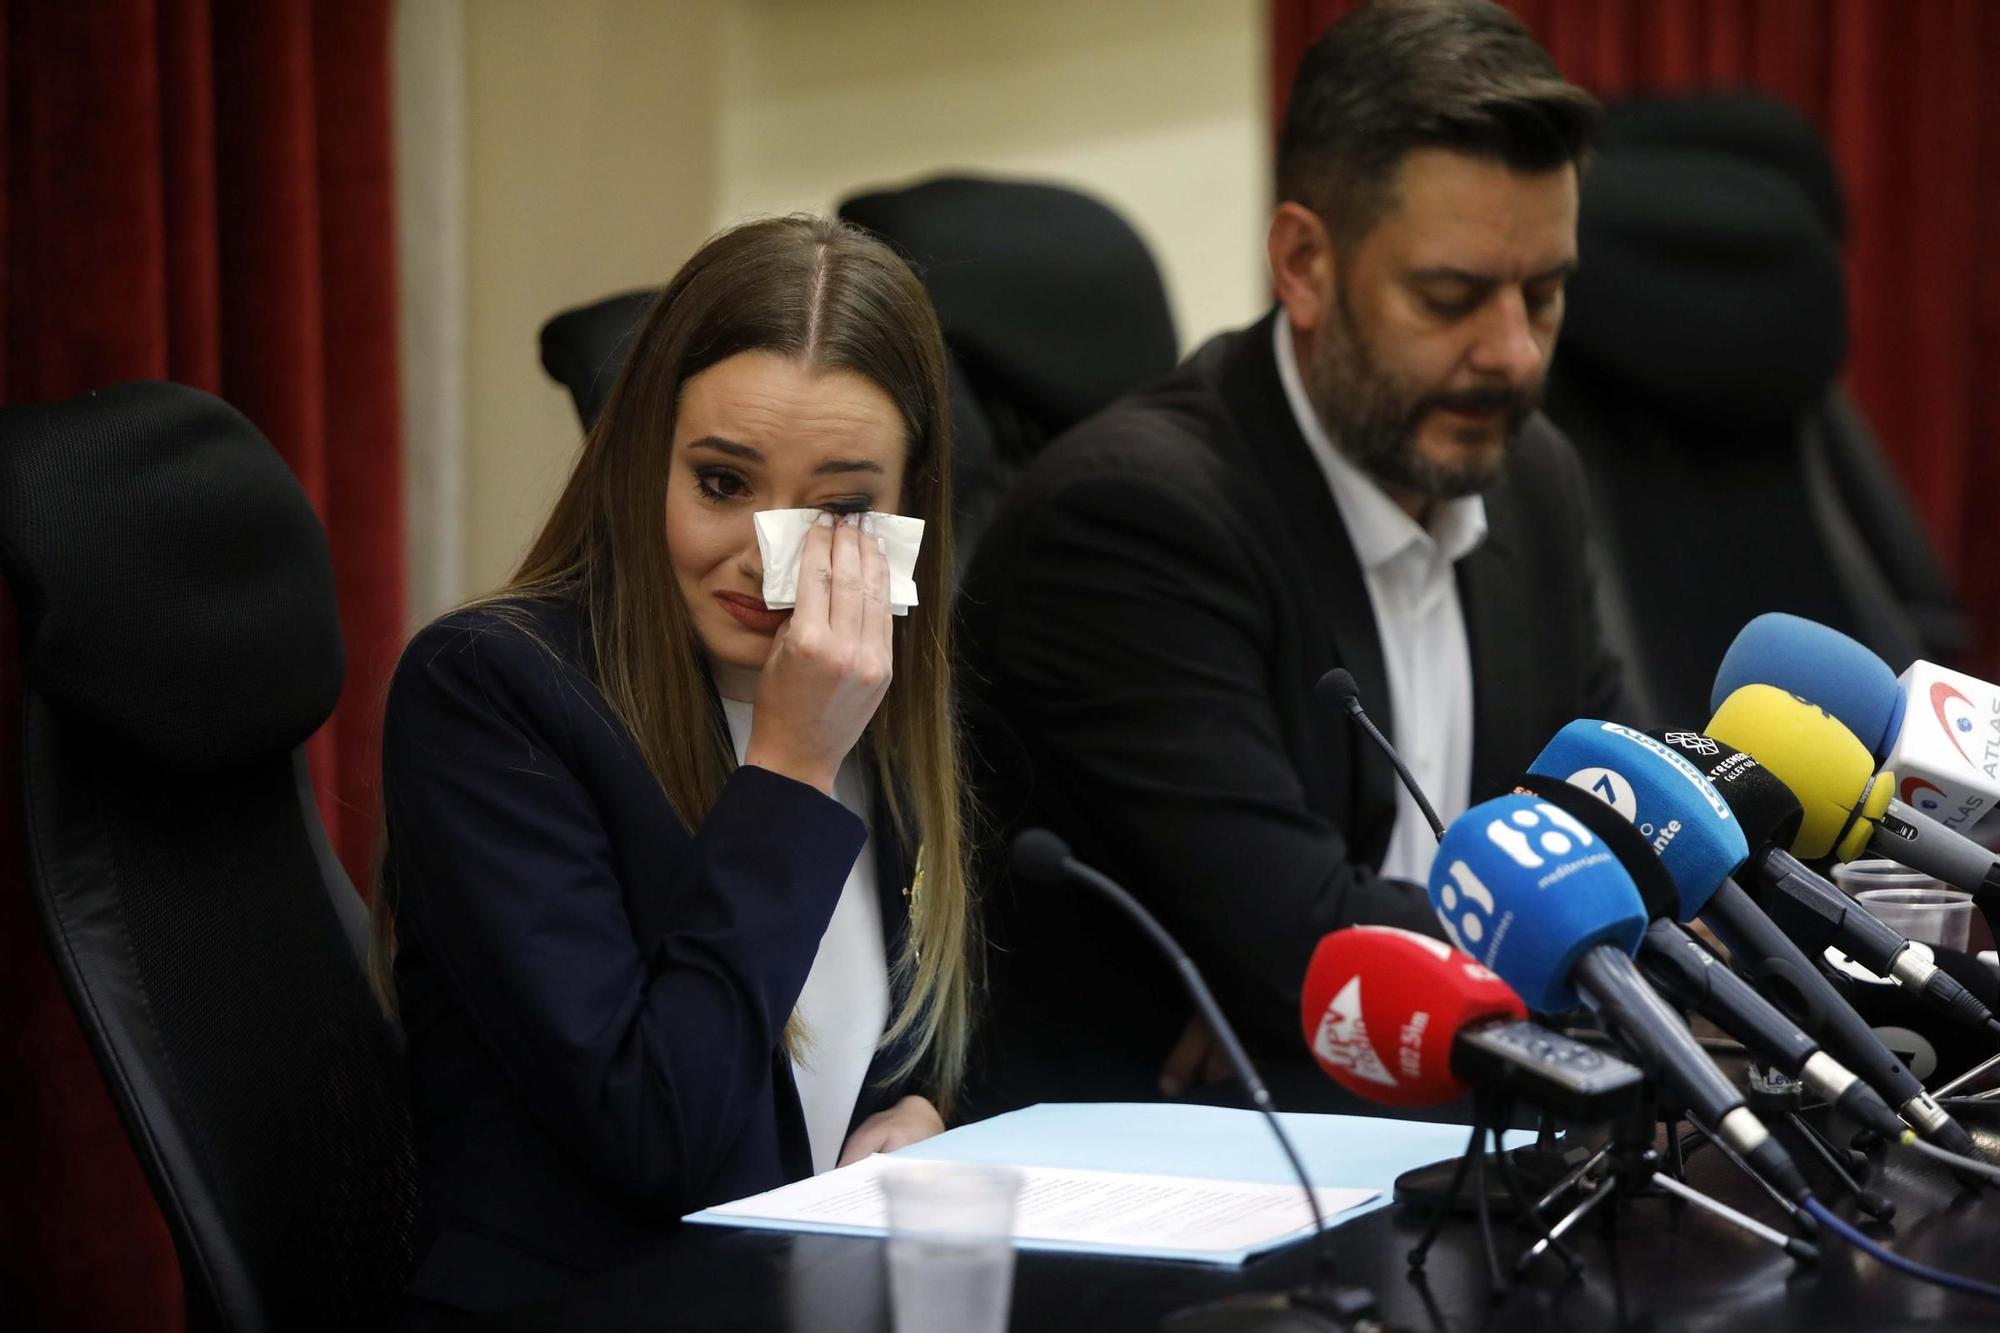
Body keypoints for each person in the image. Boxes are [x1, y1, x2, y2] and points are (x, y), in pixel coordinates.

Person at [957, 0, 1634, 1115]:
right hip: (1168, 1206)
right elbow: (1302, 954)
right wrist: (1581, 956)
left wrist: (1414, 993)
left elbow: (1616, 826)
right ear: (1303, 264)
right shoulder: (1132, 522)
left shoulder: (1533, 479)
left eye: (1544, 295)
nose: (1511, 355)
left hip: (1453, 1141)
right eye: (1450, 296)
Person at [372, 216, 976, 1318]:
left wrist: (929, 1106)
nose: (763, 550)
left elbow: (919, 1027)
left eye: (837, 509)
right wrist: (790, 768)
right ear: (641, 462)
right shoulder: (491, 695)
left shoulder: (875, 683)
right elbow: (660, 1134)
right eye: (719, 482)